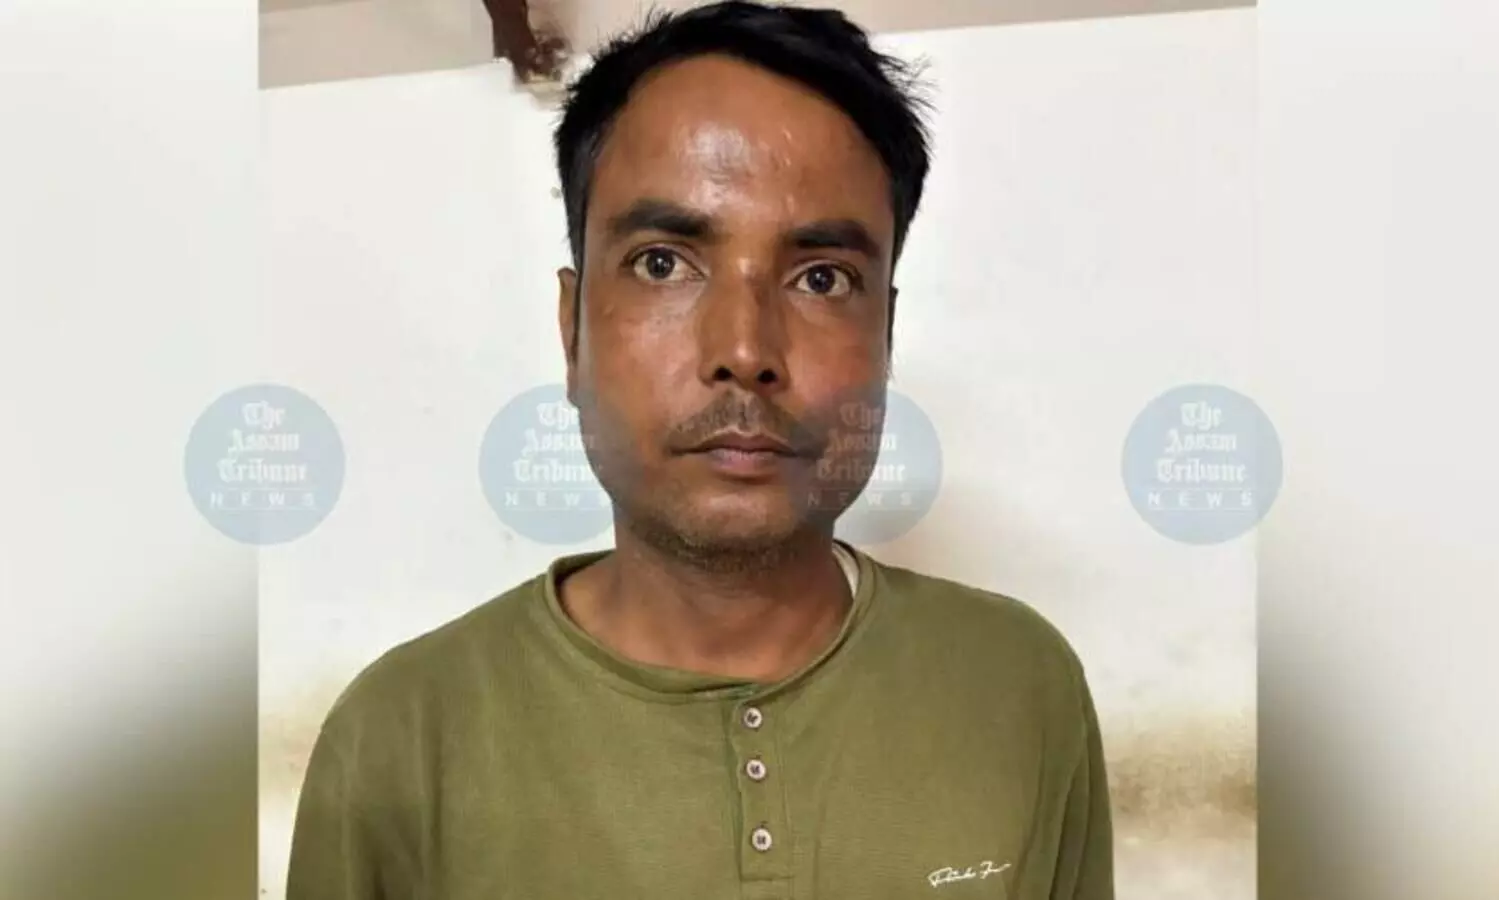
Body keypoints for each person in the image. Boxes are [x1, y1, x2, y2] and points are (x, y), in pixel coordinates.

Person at [287, 3, 1114, 898]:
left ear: (884, 335)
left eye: (821, 278)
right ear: (571, 331)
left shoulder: (1019, 685)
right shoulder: (401, 739)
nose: (745, 350)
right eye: (662, 263)